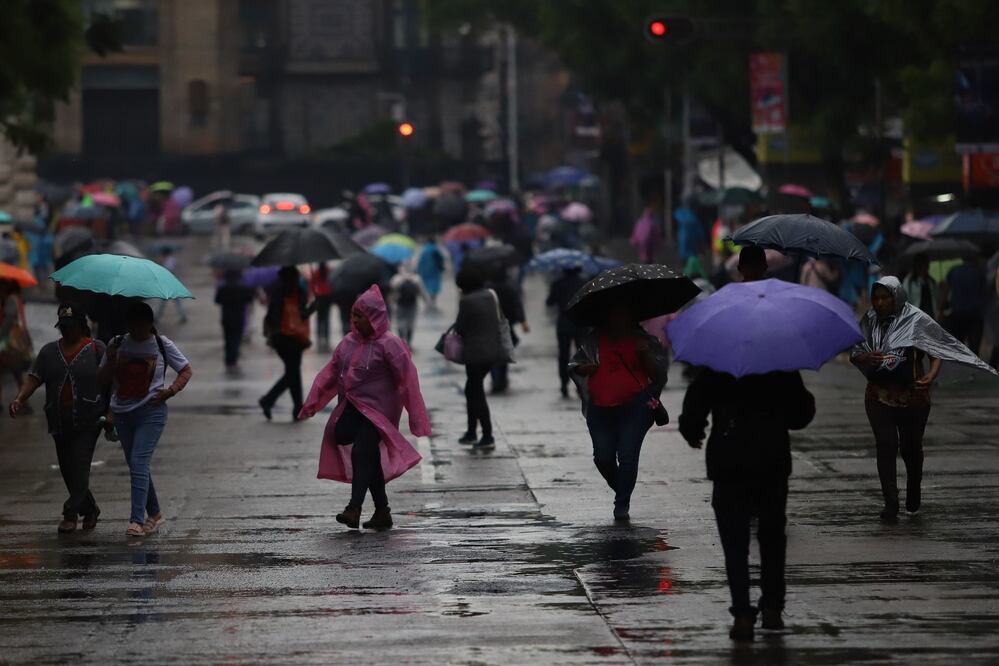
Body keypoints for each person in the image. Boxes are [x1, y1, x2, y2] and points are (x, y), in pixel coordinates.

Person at [679, 369, 815, 641]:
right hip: (772, 459)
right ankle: (773, 607)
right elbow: (801, 415)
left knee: (735, 544)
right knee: (772, 537)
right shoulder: (780, 364)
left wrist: (693, 430)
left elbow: (694, 408)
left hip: (729, 461)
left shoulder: (717, 364)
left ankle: (742, 613)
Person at [299, 285, 430, 530]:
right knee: (366, 455)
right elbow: (329, 374)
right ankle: (382, 512)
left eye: (361, 316)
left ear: (375, 317)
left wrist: (417, 417)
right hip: (352, 408)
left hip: (380, 413)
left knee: (362, 452)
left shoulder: (391, 345)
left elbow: (408, 381)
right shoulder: (348, 343)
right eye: (354, 315)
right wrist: (312, 403)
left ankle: (354, 508)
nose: (355, 320)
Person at [9, 304, 107, 533]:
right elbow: (34, 377)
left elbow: (112, 380)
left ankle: (70, 512)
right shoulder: (48, 352)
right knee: (67, 468)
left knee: (80, 465)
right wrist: (19, 399)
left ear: (82, 327)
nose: (66, 331)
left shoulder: (97, 349)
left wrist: (112, 412)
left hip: (89, 419)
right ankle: (90, 509)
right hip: (58, 420)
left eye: (71, 327)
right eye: (63, 327)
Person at [98, 301, 192, 538]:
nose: (137, 330)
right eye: (133, 325)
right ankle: (156, 514)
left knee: (138, 462)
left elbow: (186, 370)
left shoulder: (161, 344)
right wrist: (109, 358)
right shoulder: (117, 343)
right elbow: (102, 378)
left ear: (150, 324)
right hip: (122, 413)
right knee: (135, 464)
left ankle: (136, 520)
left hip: (151, 412)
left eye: (141, 325)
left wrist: (170, 391)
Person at [851, 277, 943, 521]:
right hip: (878, 396)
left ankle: (914, 487)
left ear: (897, 298)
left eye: (885, 298)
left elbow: (938, 350)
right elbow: (856, 352)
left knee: (910, 448)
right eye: (876, 298)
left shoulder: (916, 320)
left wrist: (932, 375)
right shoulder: (870, 321)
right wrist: (865, 358)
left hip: (914, 398)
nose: (880, 303)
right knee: (886, 443)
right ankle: (890, 501)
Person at [569, 302, 669, 521]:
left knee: (627, 456)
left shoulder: (645, 341)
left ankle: (622, 503)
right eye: (614, 315)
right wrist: (585, 368)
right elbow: (575, 365)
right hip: (600, 409)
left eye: (623, 315)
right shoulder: (594, 340)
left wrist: (645, 356)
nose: (618, 320)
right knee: (602, 458)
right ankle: (622, 487)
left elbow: (659, 374)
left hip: (636, 408)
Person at [454, 267, 508, 450]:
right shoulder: (490, 295)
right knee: (472, 390)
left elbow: (460, 328)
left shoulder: (467, 301)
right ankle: (472, 432)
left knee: (475, 391)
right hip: (492, 351)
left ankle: (487, 434)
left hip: (475, 353)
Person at [259, 266, 315, 421]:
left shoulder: (277, 292)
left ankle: (294, 407)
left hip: (282, 338)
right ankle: (276, 402)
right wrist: (312, 308)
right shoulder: (298, 291)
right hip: (291, 338)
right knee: (293, 372)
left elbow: (272, 316)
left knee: (293, 372)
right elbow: (301, 315)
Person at [546, 265, 588, 397]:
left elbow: (549, 302)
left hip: (563, 324)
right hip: (581, 324)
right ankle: (580, 385)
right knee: (582, 356)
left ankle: (564, 384)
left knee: (563, 355)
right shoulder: (583, 283)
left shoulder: (557, 284)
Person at [488, 270, 528, 394]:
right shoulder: (510, 287)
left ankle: (495, 378)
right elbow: (517, 304)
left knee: (493, 353)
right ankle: (502, 378)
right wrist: (522, 321)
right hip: (507, 323)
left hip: (491, 324)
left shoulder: (488, 288)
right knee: (505, 351)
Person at [941, 255, 987, 357]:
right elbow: (985, 293)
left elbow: (945, 293)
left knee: (959, 345)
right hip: (975, 314)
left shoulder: (953, 271)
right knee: (974, 347)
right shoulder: (980, 272)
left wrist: (941, 310)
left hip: (957, 313)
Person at [0, 280, 33, 410]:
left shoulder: (11, 299)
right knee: (15, 373)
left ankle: (23, 403)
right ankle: (23, 402)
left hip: (9, 344)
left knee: (16, 372)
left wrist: (0, 334)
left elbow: (9, 319)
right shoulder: (15, 299)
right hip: (12, 344)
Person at [214, 270, 256, 371]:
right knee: (236, 339)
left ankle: (228, 360)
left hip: (227, 317)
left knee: (228, 338)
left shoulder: (223, 287)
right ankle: (233, 360)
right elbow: (250, 298)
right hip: (239, 317)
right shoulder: (243, 287)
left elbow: (217, 300)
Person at [390, 267, 425, 347]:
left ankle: (401, 342)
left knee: (400, 322)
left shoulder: (397, 279)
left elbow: (391, 291)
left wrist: (391, 301)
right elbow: (421, 291)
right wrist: (425, 301)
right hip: (412, 304)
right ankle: (409, 343)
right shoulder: (416, 279)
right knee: (411, 323)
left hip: (400, 304)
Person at [155, 248, 188, 324]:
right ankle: (183, 316)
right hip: (172, 283)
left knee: (164, 301)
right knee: (175, 302)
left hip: (170, 284)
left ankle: (157, 317)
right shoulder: (171, 259)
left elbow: (168, 271)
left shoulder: (169, 260)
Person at [902, 253, 938, 318]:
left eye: (927, 265)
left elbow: (936, 298)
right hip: (916, 316)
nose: (926, 267)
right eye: (923, 265)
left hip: (931, 316)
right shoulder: (909, 281)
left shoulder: (931, 281)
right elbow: (905, 300)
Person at [309, 263, 334, 351]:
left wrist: (313, 293)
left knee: (319, 319)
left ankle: (319, 338)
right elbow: (333, 282)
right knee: (327, 319)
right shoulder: (329, 271)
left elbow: (311, 284)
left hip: (319, 296)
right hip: (328, 296)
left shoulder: (316, 272)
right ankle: (326, 339)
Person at [416, 238, 446, 309]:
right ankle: (433, 301)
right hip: (434, 271)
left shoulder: (424, 250)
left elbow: (420, 262)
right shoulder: (436, 250)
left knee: (427, 286)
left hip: (425, 272)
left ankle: (429, 302)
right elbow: (441, 260)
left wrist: (419, 270)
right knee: (434, 287)